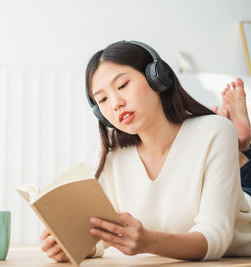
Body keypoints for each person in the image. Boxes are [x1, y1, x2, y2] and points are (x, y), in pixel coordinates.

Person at [39, 40, 251, 262]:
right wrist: (77, 245)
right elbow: (104, 236)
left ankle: (242, 148)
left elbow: (216, 237)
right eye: (102, 99)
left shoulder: (213, 130)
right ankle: (241, 149)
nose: (116, 103)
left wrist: (148, 242)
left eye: (122, 85)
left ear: (157, 78)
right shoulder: (109, 150)